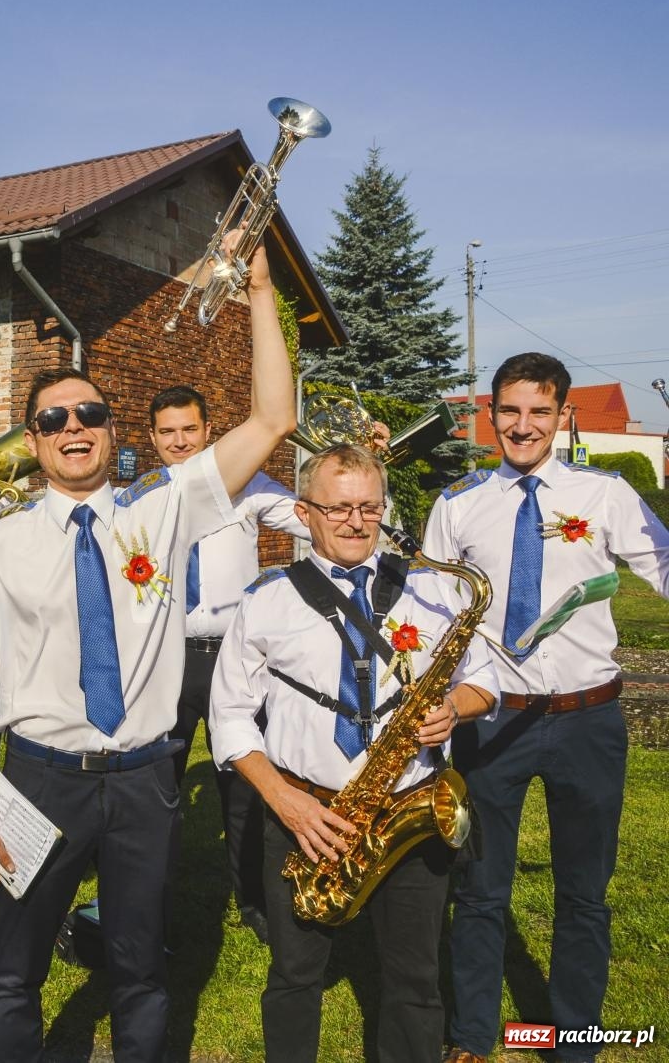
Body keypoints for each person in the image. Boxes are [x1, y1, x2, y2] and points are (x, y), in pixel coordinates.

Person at [0, 236, 298, 1062]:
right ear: (32, 442)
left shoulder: (162, 507)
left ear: (110, 429)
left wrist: (261, 288)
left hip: (142, 782)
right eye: (53, 419)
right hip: (36, 781)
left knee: (140, 969)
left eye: (90, 413)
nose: (74, 427)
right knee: (13, 971)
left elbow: (274, 418)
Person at [209, 443, 497, 1063]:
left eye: (370, 507)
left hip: (409, 808)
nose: (356, 521)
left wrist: (457, 707)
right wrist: (285, 804)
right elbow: (229, 718)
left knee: (416, 981)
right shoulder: (266, 599)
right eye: (338, 508)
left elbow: (486, 679)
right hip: (304, 816)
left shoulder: (432, 591)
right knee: (294, 976)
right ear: (304, 512)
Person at [430, 353, 669, 1063]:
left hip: (588, 720)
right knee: (479, 891)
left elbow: (663, 567)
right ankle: (473, 1036)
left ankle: (574, 1041)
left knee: (584, 894)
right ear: (491, 414)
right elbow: (432, 612)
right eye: (509, 411)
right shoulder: (459, 504)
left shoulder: (605, 496)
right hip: (491, 719)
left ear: (564, 416)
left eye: (540, 411)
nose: (523, 426)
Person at [149, 384, 307, 943]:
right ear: (152, 438)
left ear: (208, 430)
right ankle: (154, 898)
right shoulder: (143, 498)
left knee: (242, 786)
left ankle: (253, 899)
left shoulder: (247, 487)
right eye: (167, 432)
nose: (179, 442)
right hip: (166, 660)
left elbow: (313, 521)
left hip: (233, 660)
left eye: (189, 429)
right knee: (157, 785)